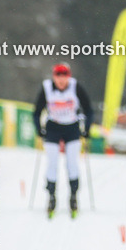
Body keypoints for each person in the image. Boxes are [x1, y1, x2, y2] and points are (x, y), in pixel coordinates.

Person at [33, 63, 94, 217]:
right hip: (53, 127)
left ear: (69, 77)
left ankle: (73, 196)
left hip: (71, 127)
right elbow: (36, 111)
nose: (61, 81)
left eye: (64, 77)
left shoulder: (75, 87)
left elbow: (89, 110)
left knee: (72, 163)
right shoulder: (47, 88)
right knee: (52, 162)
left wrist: (86, 128)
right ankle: (51, 196)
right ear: (54, 77)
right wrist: (39, 129)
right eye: (58, 77)